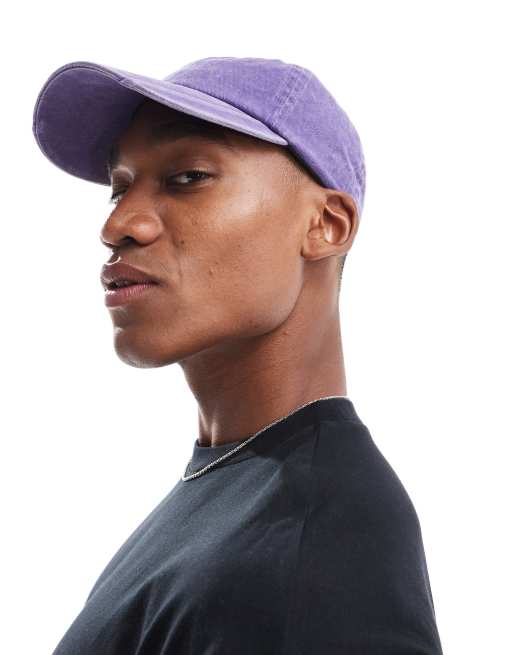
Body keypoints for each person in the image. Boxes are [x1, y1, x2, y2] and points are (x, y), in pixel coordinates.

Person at [32, 56, 444, 654]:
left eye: (187, 177)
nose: (118, 224)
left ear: (325, 226)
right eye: (119, 187)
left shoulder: (324, 539)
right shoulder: (230, 492)